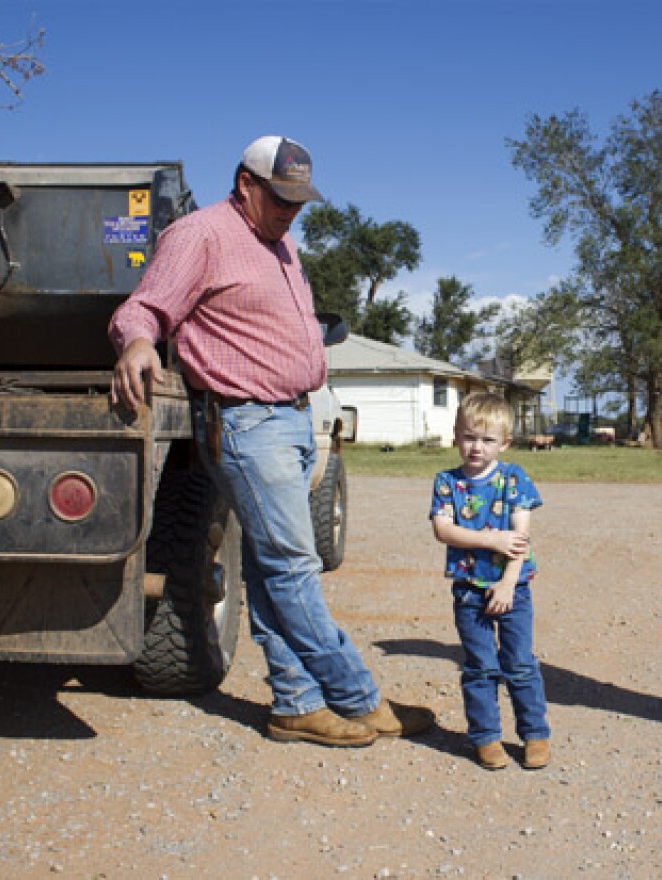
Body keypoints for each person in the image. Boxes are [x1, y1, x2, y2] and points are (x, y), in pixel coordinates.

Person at [108, 135, 432, 748]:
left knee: (269, 569)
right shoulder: (201, 235)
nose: (291, 209)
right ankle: (357, 697)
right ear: (245, 184)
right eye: (281, 197)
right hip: (247, 423)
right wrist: (137, 342)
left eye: (299, 200)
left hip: (289, 420)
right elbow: (144, 308)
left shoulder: (280, 243)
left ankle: (295, 702)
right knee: (294, 569)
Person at [430, 393, 551, 771]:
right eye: (468, 437)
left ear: (505, 442)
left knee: (519, 663)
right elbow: (443, 529)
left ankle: (534, 734)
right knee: (480, 666)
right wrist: (489, 539)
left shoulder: (514, 479)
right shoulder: (447, 482)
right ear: (455, 436)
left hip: (511, 588)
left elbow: (520, 539)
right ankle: (486, 737)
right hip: (468, 590)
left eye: (486, 439)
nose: (476, 447)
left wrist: (508, 584)